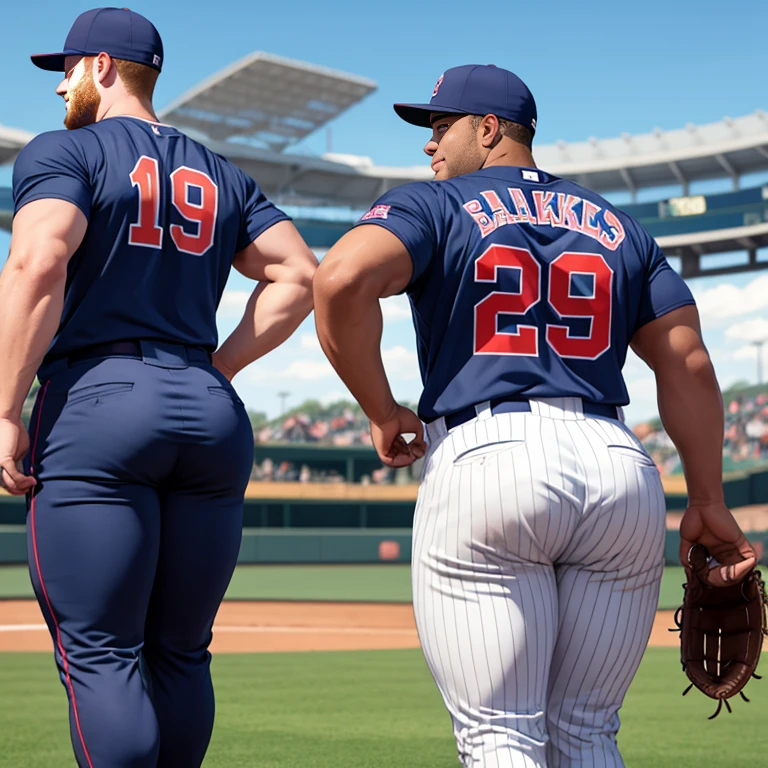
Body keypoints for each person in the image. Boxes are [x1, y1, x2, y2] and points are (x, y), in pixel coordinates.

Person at [313, 64, 756, 767]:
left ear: (489, 130)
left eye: (439, 128)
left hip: (489, 456)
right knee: (586, 731)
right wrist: (707, 496)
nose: (430, 147)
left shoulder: (437, 206)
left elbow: (337, 279)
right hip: (616, 464)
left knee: (501, 735)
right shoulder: (620, 225)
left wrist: (381, 407)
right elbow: (690, 363)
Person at [0, 8, 316, 767]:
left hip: (99, 400)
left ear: (103, 67)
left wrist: (4, 407)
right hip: (206, 411)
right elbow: (301, 276)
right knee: (179, 651)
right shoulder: (223, 172)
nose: (60, 89)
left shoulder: (64, 150)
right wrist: (223, 367)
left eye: (66, 70)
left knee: (101, 653)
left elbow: (39, 262)